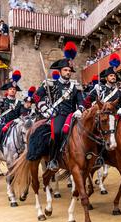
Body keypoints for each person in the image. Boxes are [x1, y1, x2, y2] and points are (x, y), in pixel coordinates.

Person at [35, 42, 85, 171]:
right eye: (65, 70)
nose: (68, 72)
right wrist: (45, 109)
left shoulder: (76, 86)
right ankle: (53, 159)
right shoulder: (50, 84)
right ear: (60, 71)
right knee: (56, 132)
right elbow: (37, 97)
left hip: (72, 115)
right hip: (57, 115)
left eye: (69, 70)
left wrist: (80, 109)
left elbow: (81, 101)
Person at [0, 70, 24, 150]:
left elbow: (21, 114)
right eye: (11, 89)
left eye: (14, 89)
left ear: (16, 91)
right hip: (3, 123)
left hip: (14, 124)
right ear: (7, 91)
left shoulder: (19, 103)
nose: (12, 90)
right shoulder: (2, 100)